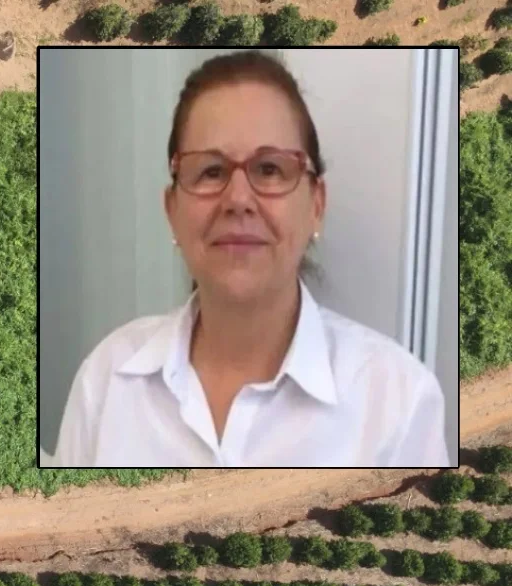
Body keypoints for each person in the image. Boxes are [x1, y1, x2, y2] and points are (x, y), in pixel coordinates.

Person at [52, 50, 450, 468]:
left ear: (316, 203)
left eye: (270, 169)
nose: (238, 199)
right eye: (209, 171)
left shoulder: (398, 405)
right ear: (171, 210)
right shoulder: (106, 381)